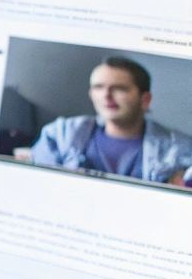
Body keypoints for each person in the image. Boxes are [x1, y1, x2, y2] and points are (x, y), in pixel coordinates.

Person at [30, 56, 192, 184]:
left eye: (119, 88)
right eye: (98, 87)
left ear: (145, 99)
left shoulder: (178, 149)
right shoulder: (60, 135)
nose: (106, 95)